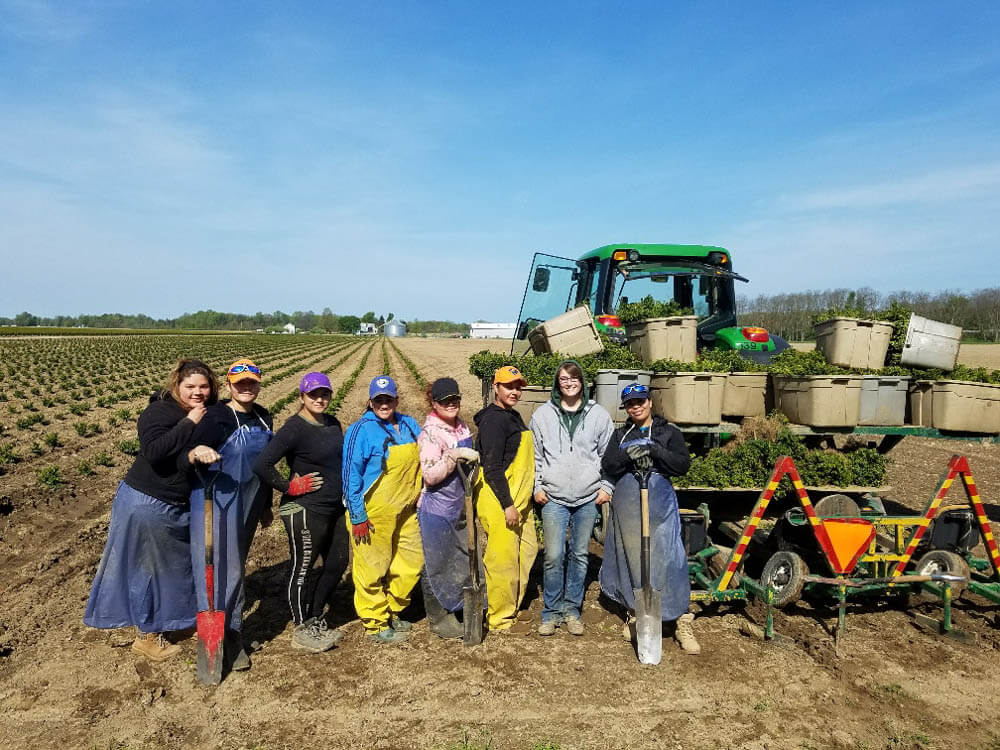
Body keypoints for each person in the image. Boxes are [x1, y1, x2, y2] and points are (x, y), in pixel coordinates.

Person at [84, 358, 219, 661]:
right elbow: (155, 453)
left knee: (176, 566)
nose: (198, 392)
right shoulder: (158, 412)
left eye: (204, 386)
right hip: (147, 501)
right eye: (190, 387)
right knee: (146, 568)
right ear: (177, 386)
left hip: (177, 503)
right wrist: (190, 423)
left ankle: (175, 622)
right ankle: (147, 636)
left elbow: (188, 458)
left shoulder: (206, 414)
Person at [182, 358, 273, 671]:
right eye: (240, 383)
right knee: (222, 569)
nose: (246, 387)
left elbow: (266, 466)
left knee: (236, 566)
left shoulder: (264, 417)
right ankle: (226, 637)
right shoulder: (217, 414)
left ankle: (231, 631)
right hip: (216, 502)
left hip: (250, 501)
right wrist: (199, 453)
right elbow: (188, 450)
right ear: (230, 385)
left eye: (252, 382)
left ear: (259, 383)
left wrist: (266, 506)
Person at [599, 382, 700, 654]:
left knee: (668, 557)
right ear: (626, 408)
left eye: (640, 401)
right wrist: (628, 455)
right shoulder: (621, 434)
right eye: (631, 404)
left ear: (650, 402)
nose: (636, 407)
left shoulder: (669, 432)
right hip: (629, 504)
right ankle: (635, 612)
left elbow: (682, 465)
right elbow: (608, 465)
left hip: (659, 503)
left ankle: (680, 618)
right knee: (633, 558)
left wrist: (655, 451)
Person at [253, 372, 347, 653]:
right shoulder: (294, 427)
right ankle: (301, 627)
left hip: (335, 507)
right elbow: (263, 464)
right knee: (303, 567)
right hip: (305, 509)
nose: (320, 399)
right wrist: (289, 486)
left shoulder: (332, 423)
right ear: (302, 397)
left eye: (324, 394)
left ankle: (316, 614)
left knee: (336, 564)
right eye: (313, 394)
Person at [530, 360, 614, 636]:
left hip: (587, 497)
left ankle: (571, 609)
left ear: (583, 382)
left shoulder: (599, 415)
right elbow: (536, 456)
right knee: (554, 555)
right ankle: (551, 612)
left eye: (574, 378)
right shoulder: (542, 415)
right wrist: (537, 486)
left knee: (579, 555)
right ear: (557, 383)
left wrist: (606, 487)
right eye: (563, 378)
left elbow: (609, 456)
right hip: (553, 496)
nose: (569, 382)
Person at [342, 375, 423, 645]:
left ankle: (394, 608)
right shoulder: (360, 430)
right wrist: (357, 516)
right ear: (371, 402)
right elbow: (350, 476)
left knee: (411, 562)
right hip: (372, 510)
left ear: (397, 399)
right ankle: (375, 622)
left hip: (407, 508)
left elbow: (427, 454)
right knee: (372, 567)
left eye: (388, 399)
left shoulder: (410, 424)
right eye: (379, 400)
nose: (384, 404)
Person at [473, 366, 538, 633]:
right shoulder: (494, 421)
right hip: (500, 499)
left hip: (519, 501)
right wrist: (507, 504)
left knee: (527, 551)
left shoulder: (512, 416)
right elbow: (492, 468)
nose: (515, 391)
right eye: (509, 386)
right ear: (496, 388)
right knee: (503, 560)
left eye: (518, 387)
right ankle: (499, 618)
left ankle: (511, 605)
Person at [416, 377, 480, 639]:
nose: (452, 404)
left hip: (460, 504)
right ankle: (438, 617)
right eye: (445, 401)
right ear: (434, 403)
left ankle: (459, 606)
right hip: (437, 507)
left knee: (461, 558)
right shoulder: (431, 432)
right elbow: (430, 475)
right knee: (437, 562)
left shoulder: (460, 426)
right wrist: (453, 455)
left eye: (455, 399)